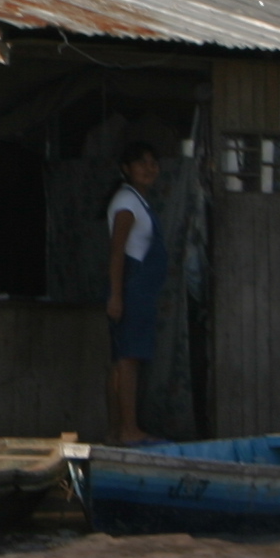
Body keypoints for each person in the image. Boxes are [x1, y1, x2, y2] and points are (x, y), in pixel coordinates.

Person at [103, 141, 167, 443]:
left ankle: (117, 431)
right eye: (141, 163)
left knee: (125, 358)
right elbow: (117, 252)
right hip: (131, 286)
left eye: (153, 162)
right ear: (126, 169)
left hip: (139, 288)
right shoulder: (126, 203)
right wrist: (117, 295)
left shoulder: (138, 202)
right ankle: (128, 430)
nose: (149, 168)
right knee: (127, 359)